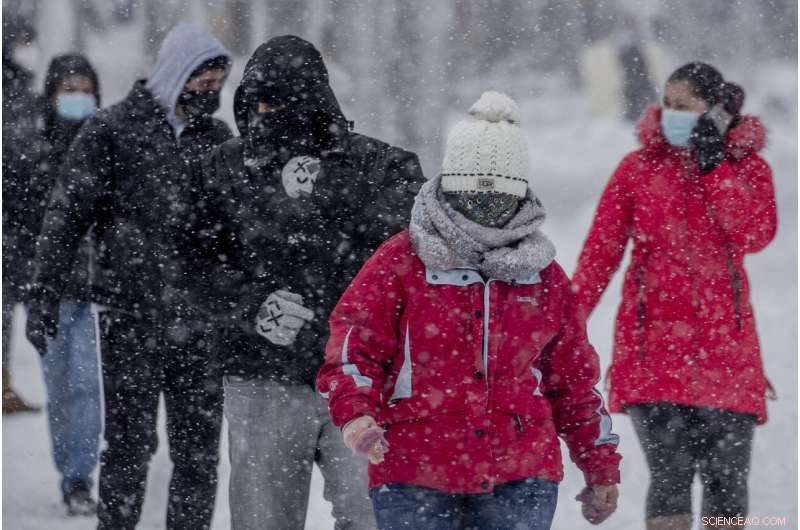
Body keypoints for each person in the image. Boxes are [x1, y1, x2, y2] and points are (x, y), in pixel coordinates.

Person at [317, 91, 622, 530]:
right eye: (470, 200)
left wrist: (600, 464)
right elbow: (353, 348)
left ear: (519, 197)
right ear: (448, 188)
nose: (481, 214)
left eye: (496, 202)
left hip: (521, 476)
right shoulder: (401, 262)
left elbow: (573, 381)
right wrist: (357, 412)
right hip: (413, 471)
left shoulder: (544, 277)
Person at [166, 35, 424, 530]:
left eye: (289, 100)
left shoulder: (378, 165)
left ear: (319, 99)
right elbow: (184, 264)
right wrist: (252, 307)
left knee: (374, 518)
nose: (273, 113)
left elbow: (412, 242)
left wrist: (329, 189)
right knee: (264, 521)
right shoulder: (221, 169)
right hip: (262, 377)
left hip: (361, 375)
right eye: (262, 100)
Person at [26, 24, 233, 530]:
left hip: (200, 321)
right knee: (129, 446)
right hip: (131, 315)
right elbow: (66, 215)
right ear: (176, 75)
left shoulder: (219, 140)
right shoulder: (113, 130)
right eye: (201, 85)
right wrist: (44, 295)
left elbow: (236, 231)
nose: (209, 96)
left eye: (216, 87)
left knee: (198, 451)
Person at [572, 63, 777, 530]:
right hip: (652, 355)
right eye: (668, 104)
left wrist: (715, 169)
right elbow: (598, 257)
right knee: (670, 476)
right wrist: (561, 325)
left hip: (728, 355)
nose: (672, 115)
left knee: (727, 481)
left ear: (716, 110)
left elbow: (755, 232)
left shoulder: (749, 169)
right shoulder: (637, 170)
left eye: (684, 106)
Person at [29, 53, 103, 516]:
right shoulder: (33, 153)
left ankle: (82, 475)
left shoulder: (109, 148)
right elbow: (21, 231)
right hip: (53, 293)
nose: (77, 97)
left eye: (84, 88)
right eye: (68, 88)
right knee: (62, 387)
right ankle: (70, 474)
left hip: (99, 291)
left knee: (89, 385)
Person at [2, 10, 40, 414]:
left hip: (22, 221)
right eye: (23, 42)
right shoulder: (11, 94)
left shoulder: (25, 91)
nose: (29, 50)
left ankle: (5, 384)